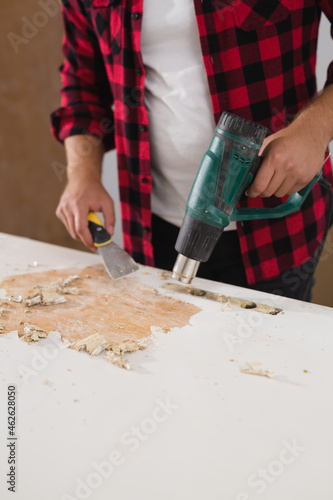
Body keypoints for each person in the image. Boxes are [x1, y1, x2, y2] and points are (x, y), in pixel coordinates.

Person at [51, 0, 333, 301]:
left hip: (274, 232)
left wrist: (313, 131)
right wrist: (81, 174)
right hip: (152, 230)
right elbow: (83, 84)